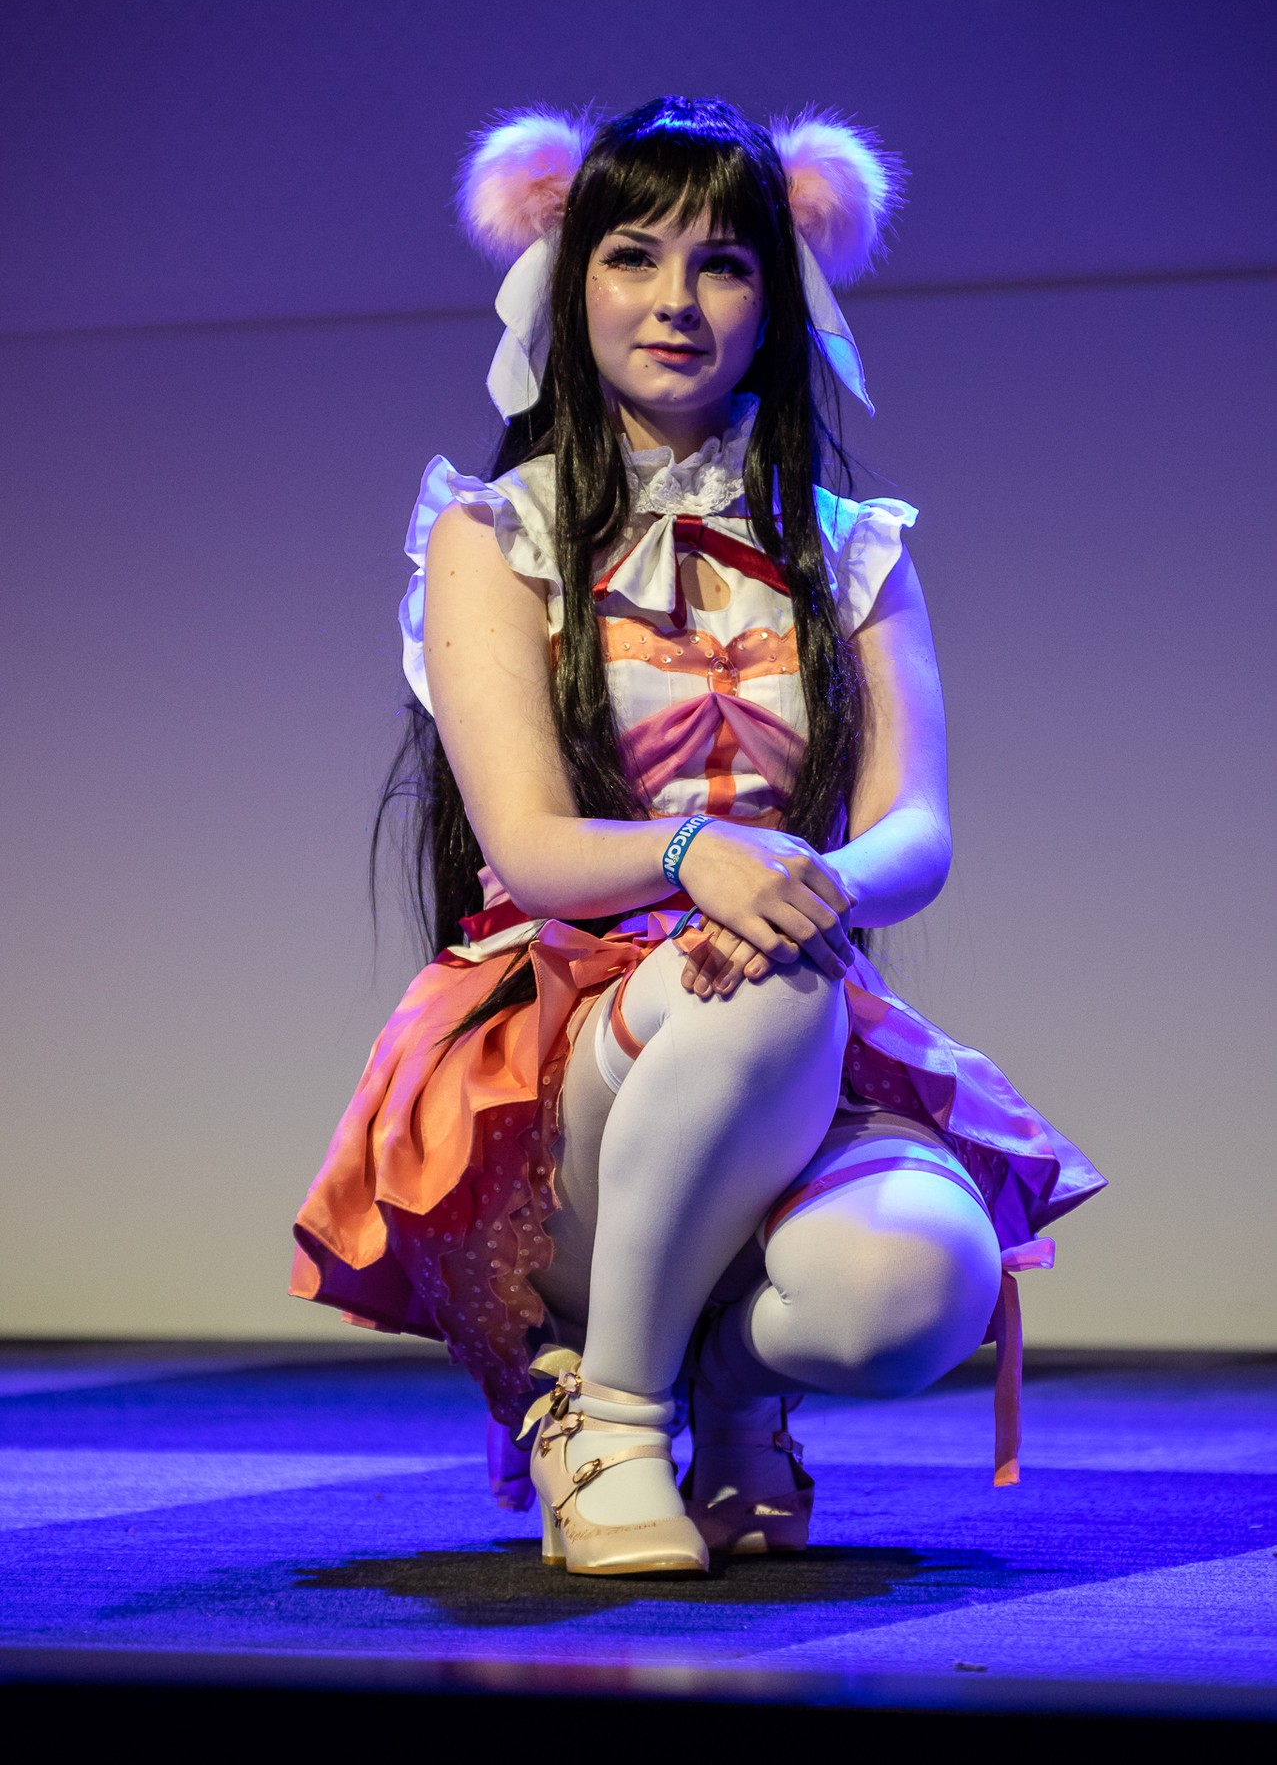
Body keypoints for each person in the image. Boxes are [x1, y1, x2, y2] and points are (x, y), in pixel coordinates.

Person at [291, 96, 1105, 1579]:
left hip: (777, 1004)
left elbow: (914, 830)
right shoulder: (496, 531)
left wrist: (799, 883)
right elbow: (532, 845)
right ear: (568, 277)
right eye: (632, 255)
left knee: (921, 1282)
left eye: (723, 263)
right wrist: (692, 861)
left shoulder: (849, 544)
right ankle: (604, 1413)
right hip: (566, 1059)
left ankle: (731, 1396)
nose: (675, 300)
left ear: (777, 295)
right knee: (770, 983)